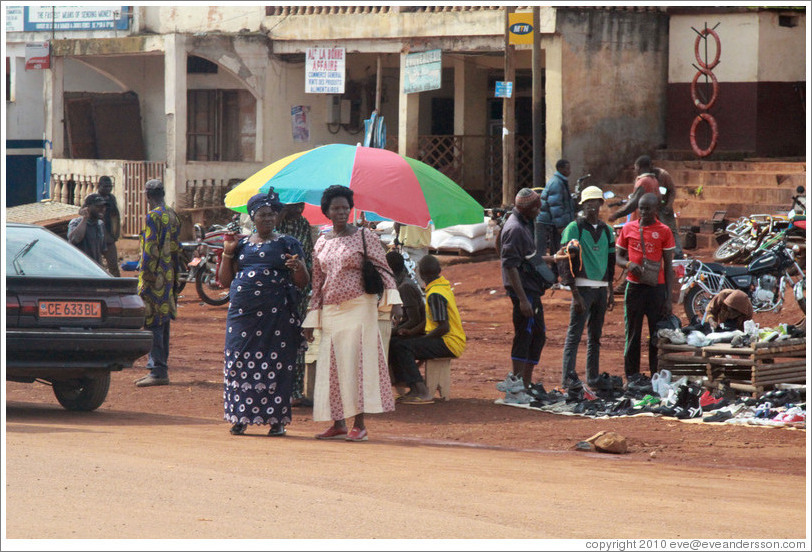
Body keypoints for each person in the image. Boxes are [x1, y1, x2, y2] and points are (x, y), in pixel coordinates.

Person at [302, 185, 403, 442]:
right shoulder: (322, 242)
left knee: (358, 364)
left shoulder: (365, 237)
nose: (341, 212)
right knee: (333, 364)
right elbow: (317, 282)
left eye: (345, 208)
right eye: (336, 208)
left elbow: (384, 269)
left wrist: (396, 302)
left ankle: (359, 424)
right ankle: (338, 423)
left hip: (360, 306)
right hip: (332, 311)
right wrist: (312, 318)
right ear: (326, 210)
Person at [219, 190, 310, 436]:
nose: (268, 219)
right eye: (262, 215)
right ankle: (240, 417)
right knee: (238, 363)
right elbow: (225, 280)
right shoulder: (242, 245)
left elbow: (302, 282)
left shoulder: (288, 243)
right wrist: (228, 252)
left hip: (276, 317)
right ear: (252, 217)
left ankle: (276, 420)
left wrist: (299, 267)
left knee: (276, 364)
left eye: (272, 214)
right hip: (242, 318)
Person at [559, 186, 616, 390]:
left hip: (600, 289)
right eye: (588, 202)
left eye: (595, 201)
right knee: (574, 335)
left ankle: (592, 377)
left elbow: (611, 261)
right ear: (582, 205)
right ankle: (568, 378)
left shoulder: (607, 231)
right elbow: (564, 261)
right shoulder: (574, 228)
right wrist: (574, 293)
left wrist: (610, 291)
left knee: (595, 336)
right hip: (582, 289)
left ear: (601, 204)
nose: (592, 205)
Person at [615, 193, 675, 384]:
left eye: (647, 208)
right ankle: (631, 376)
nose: (643, 212)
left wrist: (668, 299)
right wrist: (627, 265)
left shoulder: (664, 231)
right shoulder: (628, 228)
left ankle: (654, 376)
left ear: (655, 210)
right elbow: (618, 256)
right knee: (632, 333)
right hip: (634, 288)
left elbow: (668, 266)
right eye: (640, 208)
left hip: (656, 289)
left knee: (655, 335)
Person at [389, 255, 465, 404]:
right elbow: (429, 320)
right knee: (397, 342)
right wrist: (411, 333)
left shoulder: (435, 294)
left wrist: (423, 340)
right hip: (448, 338)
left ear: (420, 273)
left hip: (448, 342)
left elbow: (444, 327)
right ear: (439, 271)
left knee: (403, 346)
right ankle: (411, 384)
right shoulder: (441, 286)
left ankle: (421, 391)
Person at [135, 179, 182, 387]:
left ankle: (157, 370)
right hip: (168, 275)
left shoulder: (152, 216)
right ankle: (160, 368)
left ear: (147, 195)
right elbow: (175, 248)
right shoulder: (172, 214)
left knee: (153, 323)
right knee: (163, 322)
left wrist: (145, 278)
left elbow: (150, 250)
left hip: (155, 278)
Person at [499, 188, 546, 390]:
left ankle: (525, 382)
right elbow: (509, 264)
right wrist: (522, 299)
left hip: (531, 288)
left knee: (538, 334)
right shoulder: (515, 229)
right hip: (524, 291)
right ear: (529, 208)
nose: (539, 211)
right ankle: (517, 383)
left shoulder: (524, 224)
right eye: (537, 208)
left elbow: (519, 256)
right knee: (525, 334)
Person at [275, 201, 314, 407]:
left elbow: (309, 258)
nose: (299, 209)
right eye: (294, 204)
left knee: (297, 340)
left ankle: (295, 391)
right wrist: (280, 215)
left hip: (300, 291)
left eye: (302, 204)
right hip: (276, 293)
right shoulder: (273, 225)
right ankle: (276, 389)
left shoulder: (304, 225)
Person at [609, 155, 682, 259]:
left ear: (639, 167)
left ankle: (678, 255)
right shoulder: (652, 180)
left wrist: (616, 214)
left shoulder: (650, 178)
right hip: (655, 211)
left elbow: (633, 203)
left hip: (663, 207)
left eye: (636, 168)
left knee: (670, 231)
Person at [536, 159, 576, 282]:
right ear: (561, 169)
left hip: (552, 222)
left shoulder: (560, 181)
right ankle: (545, 277)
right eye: (567, 168)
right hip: (549, 223)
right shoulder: (557, 183)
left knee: (555, 249)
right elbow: (556, 206)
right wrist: (560, 226)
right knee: (549, 249)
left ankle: (553, 277)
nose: (569, 171)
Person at [67, 193, 108, 267]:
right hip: (80, 268)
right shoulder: (76, 222)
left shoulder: (100, 224)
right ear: (87, 207)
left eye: (103, 206)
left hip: (95, 268)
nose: (102, 209)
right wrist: (85, 218)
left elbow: (102, 250)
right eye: (98, 206)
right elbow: (74, 239)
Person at [97, 176, 121, 276]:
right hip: (96, 238)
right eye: (105, 186)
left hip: (109, 238)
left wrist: (116, 234)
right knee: (97, 266)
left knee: (113, 266)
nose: (108, 189)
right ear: (99, 186)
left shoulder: (112, 198)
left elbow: (116, 217)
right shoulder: (93, 198)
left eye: (109, 186)